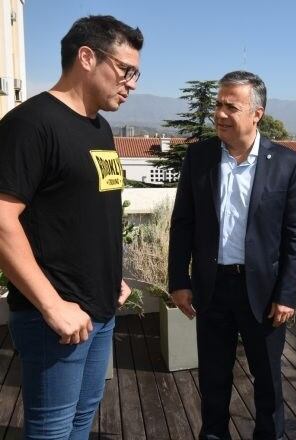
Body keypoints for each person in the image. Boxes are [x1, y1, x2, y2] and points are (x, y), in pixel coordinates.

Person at [0, 15, 143, 439]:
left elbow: (88, 212)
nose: (132, 83)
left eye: (136, 74)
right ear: (86, 57)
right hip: (55, 319)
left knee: (83, 418)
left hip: (100, 308)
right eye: (125, 70)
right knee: (52, 429)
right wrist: (52, 306)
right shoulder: (30, 124)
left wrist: (111, 278)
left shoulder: (101, 128)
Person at [169, 70, 296, 440]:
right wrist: (179, 281)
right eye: (218, 104)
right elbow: (182, 222)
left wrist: (287, 294)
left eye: (231, 106)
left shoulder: (287, 163)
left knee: (267, 383)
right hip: (212, 289)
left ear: (256, 114)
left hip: (263, 294)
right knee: (213, 379)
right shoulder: (199, 157)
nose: (219, 113)